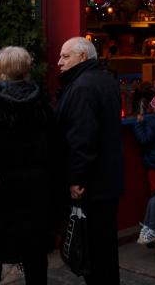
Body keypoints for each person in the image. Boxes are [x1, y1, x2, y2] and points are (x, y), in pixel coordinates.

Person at [0, 47, 60, 285]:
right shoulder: (44, 105)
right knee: (35, 259)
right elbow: (57, 150)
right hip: (36, 192)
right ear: (27, 70)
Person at [55, 37, 124, 285]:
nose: (59, 62)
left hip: (92, 185)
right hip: (107, 181)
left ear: (82, 57)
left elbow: (82, 138)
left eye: (65, 56)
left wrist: (76, 178)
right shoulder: (104, 80)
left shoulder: (82, 86)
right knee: (104, 251)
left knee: (93, 253)